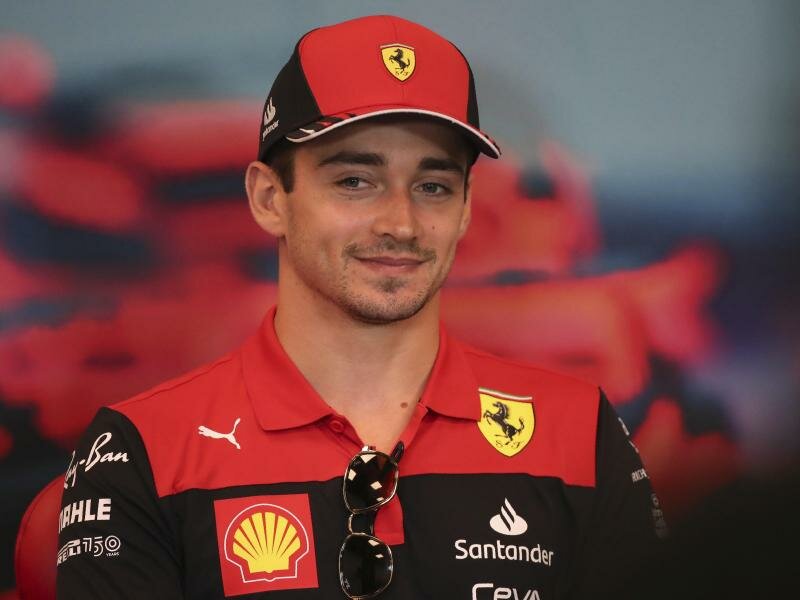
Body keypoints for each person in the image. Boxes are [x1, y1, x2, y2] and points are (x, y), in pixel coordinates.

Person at [56, 14, 663, 599]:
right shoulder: (143, 447)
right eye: (354, 181)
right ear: (269, 198)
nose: (400, 223)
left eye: (433, 186)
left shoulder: (576, 430)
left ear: (467, 209)